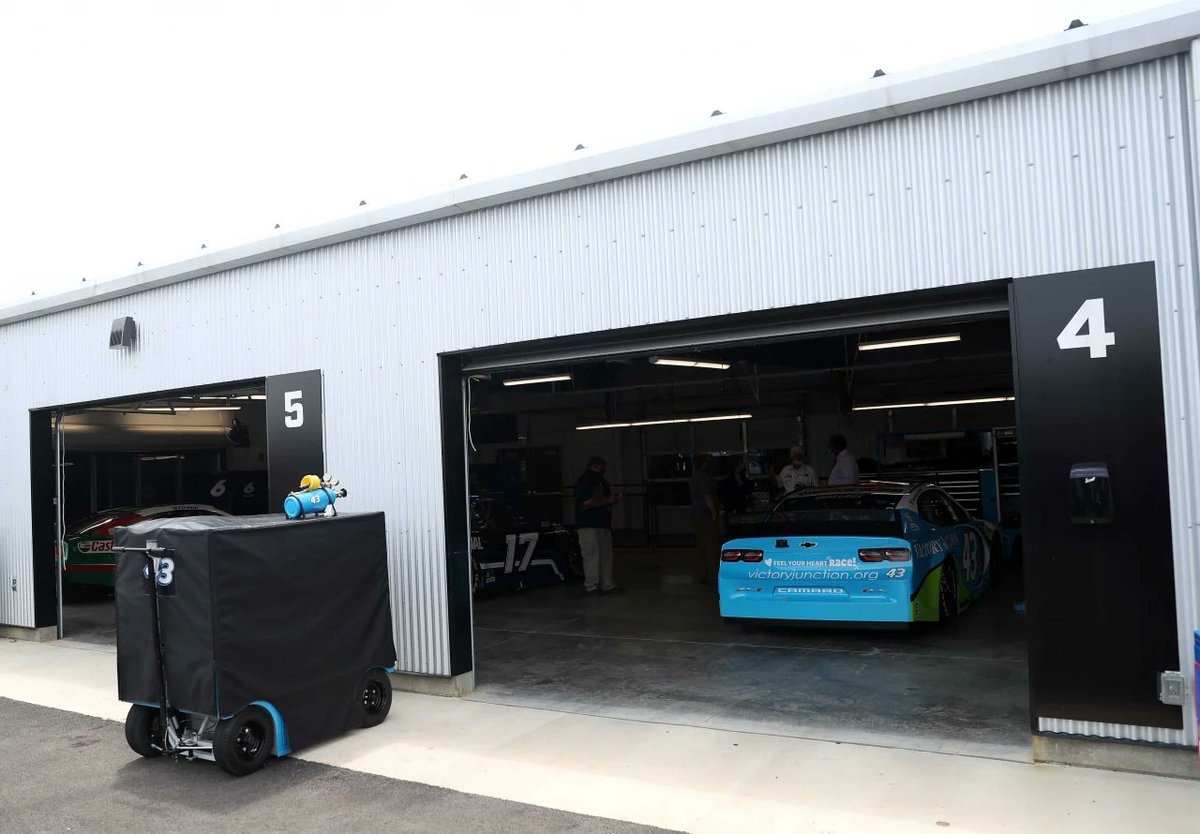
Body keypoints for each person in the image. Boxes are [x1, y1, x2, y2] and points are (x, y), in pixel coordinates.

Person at [574, 456, 622, 595]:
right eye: (603, 466)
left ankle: (603, 584)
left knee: (602, 554)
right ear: (597, 466)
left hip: (598, 522)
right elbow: (586, 502)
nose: (605, 469)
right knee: (593, 554)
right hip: (590, 523)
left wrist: (610, 500)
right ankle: (593, 586)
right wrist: (608, 500)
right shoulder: (588, 480)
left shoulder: (596, 480)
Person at [690, 454, 721, 585]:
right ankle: (712, 574)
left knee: (701, 546)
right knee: (711, 546)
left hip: (697, 514)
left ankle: (702, 574)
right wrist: (714, 511)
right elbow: (707, 495)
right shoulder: (704, 478)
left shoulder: (694, 477)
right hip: (706, 515)